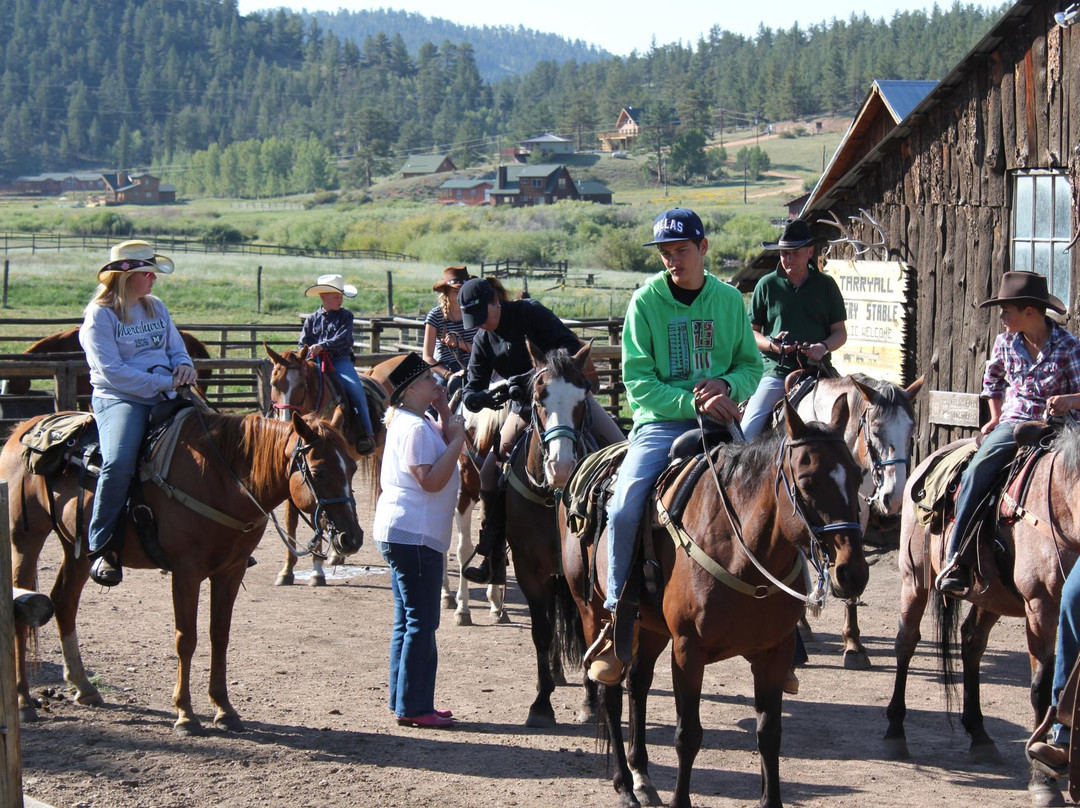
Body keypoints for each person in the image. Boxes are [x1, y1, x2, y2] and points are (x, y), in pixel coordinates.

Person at [587, 208, 763, 685]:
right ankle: (617, 613)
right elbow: (638, 382)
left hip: (722, 420)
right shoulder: (645, 302)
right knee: (623, 507)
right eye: (665, 253)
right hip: (662, 425)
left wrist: (727, 384)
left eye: (681, 250)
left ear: (703, 248)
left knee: (775, 492)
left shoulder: (728, 300)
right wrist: (691, 400)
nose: (673, 261)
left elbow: (752, 366)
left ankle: (787, 622)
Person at [458, 276, 625, 585]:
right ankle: (492, 555)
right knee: (488, 474)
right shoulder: (483, 338)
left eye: (484, 316)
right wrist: (478, 397)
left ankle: (628, 545)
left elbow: (569, 346)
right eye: (475, 321)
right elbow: (471, 385)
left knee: (620, 446)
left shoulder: (530, 312)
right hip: (526, 409)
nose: (481, 325)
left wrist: (528, 376)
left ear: (497, 301)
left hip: (569, 400)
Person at [936, 271, 1080, 597]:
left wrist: (1069, 400)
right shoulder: (1006, 343)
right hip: (1014, 425)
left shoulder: (1069, 347)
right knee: (975, 473)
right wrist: (995, 415)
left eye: (1006, 311)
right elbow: (993, 380)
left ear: (1030, 312)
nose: (1001, 318)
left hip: (1059, 428)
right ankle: (957, 558)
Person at [80, 240, 198, 587]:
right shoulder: (100, 315)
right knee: (118, 462)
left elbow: (176, 348)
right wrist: (160, 382)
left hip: (166, 390)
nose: (154, 279)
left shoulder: (155, 307)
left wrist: (185, 368)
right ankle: (102, 545)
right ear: (125, 276)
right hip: (120, 398)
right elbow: (112, 371)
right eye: (149, 273)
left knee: (213, 441)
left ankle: (213, 534)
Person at [373, 352, 466, 729]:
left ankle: (405, 700)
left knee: (408, 620)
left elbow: (436, 452)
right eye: (430, 380)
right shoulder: (412, 427)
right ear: (412, 389)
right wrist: (458, 440)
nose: (438, 384)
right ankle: (414, 706)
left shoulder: (415, 420)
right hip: (415, 535)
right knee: (421, 622)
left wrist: (445, 414)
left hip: (408, 532)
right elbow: (429, 480)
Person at [740, 219, 848, 442]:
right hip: (776, 372)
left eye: (794, 253)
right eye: (784, 253)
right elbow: (750, 332)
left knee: (848, 428)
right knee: (747, 433)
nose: (788, 258)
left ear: (810, 252)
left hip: (819, 370)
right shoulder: (766, 285)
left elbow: (840, 332)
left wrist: (823, 347)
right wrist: (773, 345)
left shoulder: (826, 285)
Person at [298, 274, 375, 454]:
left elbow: (344, 339)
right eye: (336, 296)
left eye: (341, 296)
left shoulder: (346, 316)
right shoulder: (311, 320)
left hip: (339, 360)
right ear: (323, 296)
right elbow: (302, 344)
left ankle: (366, 433)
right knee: (294, 386)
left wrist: (322, 346)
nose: (340, 300)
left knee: (356, 389)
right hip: (313, 362)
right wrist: (308, 351)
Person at [422, 266, 477, 398]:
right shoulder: (435, 315)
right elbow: (427, 358)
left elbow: (480, 349)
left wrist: (459, 343)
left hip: (472, 365)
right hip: (445, 368)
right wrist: (449, 375)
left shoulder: (474, 313)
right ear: (446, 291)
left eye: (463, 290)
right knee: (433, 399)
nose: (460, 294)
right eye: (456, 291)